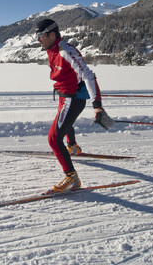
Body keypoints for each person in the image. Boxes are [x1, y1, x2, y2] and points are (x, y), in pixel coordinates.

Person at [35, 19, 114, 193]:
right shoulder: (51, 49)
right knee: (64, 124)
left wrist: (97, 106)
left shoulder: (65, 51)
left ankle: (71, 177)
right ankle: (73, 147)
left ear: (52, 34)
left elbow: (88, 75)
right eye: (37, 36)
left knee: (53, 139)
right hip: (65, 97)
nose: (38, 39)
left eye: (41, 35)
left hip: (73, 99)